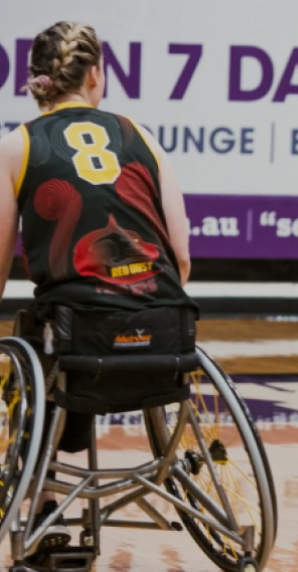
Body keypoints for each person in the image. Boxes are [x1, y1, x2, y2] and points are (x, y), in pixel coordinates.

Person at [0, 21, 196, 560]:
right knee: (75, 325)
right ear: (93, 75)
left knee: (41, 333)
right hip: (167, 335)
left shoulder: (16, 145)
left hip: (80, 342)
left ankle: (46, 501)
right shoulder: (139, 134)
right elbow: (181, 254)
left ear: (38, 80)